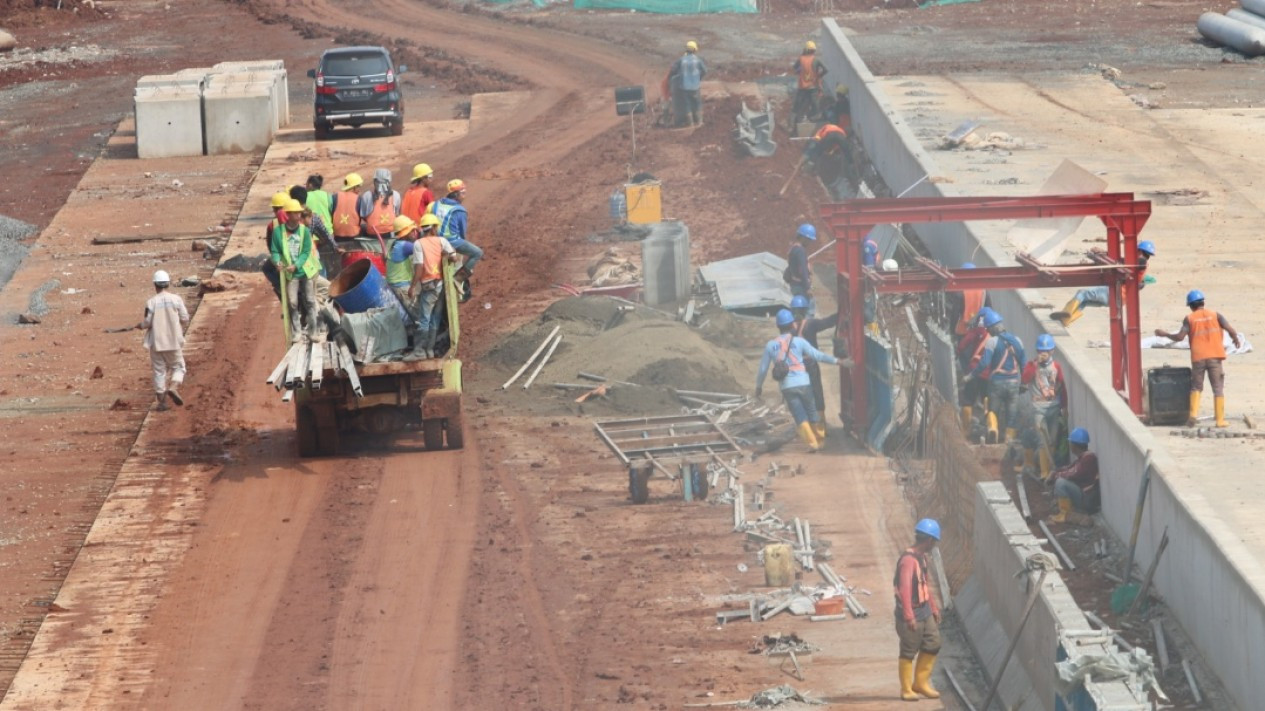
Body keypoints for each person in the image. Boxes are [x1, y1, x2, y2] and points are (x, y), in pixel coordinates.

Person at [754, 309, 839, 452]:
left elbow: (763, 369)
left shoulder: (770, 345)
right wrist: (837, 361)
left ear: (778, 326)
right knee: (812, 412)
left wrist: (758, 387)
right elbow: (818, 355)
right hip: (804, 383)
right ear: (792, 324)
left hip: (787, 387)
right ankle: (820, 440)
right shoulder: (799, 342)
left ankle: (812, 444)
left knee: (800, 416)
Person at [1154, 289, 1242, 427]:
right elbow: (1230, 329)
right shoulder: (1215, 315)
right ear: (1203, 302)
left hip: (1198, 357)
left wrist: (1164, 334)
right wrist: (1235, 338)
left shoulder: (1189, 319)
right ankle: (1220, 421)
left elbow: (1179, 337)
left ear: (1190, 305)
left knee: (1196, 387)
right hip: (1215, 356)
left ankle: (1193, 415)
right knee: (1218, 388)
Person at [1052, 240, 1156, 326]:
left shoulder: (1140, 262)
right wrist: (1103, 254)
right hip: (1118, 301)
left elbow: (1121, 262)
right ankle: (1066, 321)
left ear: (1140, 251)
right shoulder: (1139, 266)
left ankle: (1066, 314)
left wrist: (1101, 254)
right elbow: (1119, 260)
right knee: (1084, 301)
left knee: (1082, 293)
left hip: (1114, 293)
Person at [894, 518, 942, 702]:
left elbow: (924, 585)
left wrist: (933, 607)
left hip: (924, 610)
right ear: (929, 540)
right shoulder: (908, 561)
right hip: (912, 613)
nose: (934, 545)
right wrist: (909, 616)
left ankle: (920, 683)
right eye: (934, 541)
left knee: (933, 642)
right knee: (908, 650)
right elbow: (904, 589)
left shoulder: (922, 558)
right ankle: (906, 689)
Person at [966, 309, 1025, 443]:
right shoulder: (1017, 341)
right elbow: (1023, 363)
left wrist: (972, 375)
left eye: (988, 329)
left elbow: (984, 363)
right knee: (1012, 414)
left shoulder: (992, 342)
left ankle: (993, 430)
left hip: (996, 382)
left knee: (993, 410)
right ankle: (1009, 440)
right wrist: (1024, 382)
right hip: (1013, 382)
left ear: (992, 328)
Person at [269, 199, 321, 343]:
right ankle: (297, 332)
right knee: (292, 302)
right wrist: (277, 261)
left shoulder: (304, 231)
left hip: (305, 271)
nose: (299, 215)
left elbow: (305, 252)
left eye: (299, 213)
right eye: (296, 213)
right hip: (291, 273)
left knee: (310, 301)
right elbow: (275, 251)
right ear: (289, 214)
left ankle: (313, 332)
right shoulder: (278, 233)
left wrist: (297, 265)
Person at [138, 269, 190, 412]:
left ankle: (162, 403)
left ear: (155, 285)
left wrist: (140, 326)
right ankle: (173, 387)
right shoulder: (176, 299)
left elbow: (147, 322)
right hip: (174, 341)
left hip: (156, 342)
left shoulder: (151, 302)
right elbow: (185, 318)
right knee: (179, 367)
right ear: (168, 284)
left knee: (159, 372)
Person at [408, 212, 456, 358]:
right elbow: (453, 257)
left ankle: (419, 351)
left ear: (423, 229)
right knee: (434, 319)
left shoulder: (418, 244)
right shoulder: (442, 241)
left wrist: (412, 286)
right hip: (440, 285)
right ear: (434, 227)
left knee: (424, 319)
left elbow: (419, 267)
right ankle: (429, 349)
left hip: (428, 285)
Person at [1018, 333, 1066, 480]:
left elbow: (1062, 385)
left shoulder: (1056, 366)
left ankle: (1050, 468)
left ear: (1052, 351)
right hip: (1038, 407)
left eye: (1046, 351)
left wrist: (1065, 406)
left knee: (1052, 439)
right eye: (1040, 351)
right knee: (1042, 439)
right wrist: (1034, 364)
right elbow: (1025, 379)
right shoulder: (1031, 366)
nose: (1043, 354)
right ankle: (1045, 472)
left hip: (1054, 406)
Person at [790, 295, 837, 441]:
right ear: (805, 310)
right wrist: (842, 312)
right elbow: (828, 322)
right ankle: (821, 428)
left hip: (796, 368)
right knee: (817, 395)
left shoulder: (788, 328)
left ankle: (806, 429)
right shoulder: (811, 324)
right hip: (810, 364)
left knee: (801, 397)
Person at [430, 178, 483, 302]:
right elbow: (462, 233)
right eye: (463, 193)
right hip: (452, 242)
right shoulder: (460, 210)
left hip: (435, 240)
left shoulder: (436, 204)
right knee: (477, 253)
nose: (464, 196)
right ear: (456, 194)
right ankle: (458, 279)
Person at [1049, 428, 1098, 525]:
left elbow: (1073, 473)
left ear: (1075, 445)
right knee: (1060, 479)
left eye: (1071, 443)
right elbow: (1069, 467)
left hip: (1086, 499)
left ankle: (1065, 515)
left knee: (1060, 482)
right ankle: (1066, 512)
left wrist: (1055, 475)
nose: (1070, 445)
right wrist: (1055, 471)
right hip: (1083, 496)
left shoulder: (1089, 458)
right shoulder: (1083, 457)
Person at [803, 122, 857, 198]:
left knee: (818, 151)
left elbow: (821, 136)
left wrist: (818, 141)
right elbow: (841, 149)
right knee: (846, 150)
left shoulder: (830, 126)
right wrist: (850, 162)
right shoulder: (843, 136)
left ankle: (808, 165)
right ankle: (851, 164)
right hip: (832, 137)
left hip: (827, 136)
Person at [386, 215, 422, 327]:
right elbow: (423, 248)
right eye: (412, 230)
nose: (414, 233)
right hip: (403, 287)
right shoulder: (404, 246)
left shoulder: (393, 243)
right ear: (406, 232)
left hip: (395, 285)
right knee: (418, 317)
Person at [790, 40, 827, 133]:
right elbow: (825, 70)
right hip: (812, 86)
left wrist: (800, 73)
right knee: (815, 104)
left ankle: (794, 123)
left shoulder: (801, 59)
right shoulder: (816, 60)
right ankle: (813, 118)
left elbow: (795, 67)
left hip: (802, 87)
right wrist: (818, 76)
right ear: (814, 50)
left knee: (798, 105)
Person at [260, 191, 291, 300]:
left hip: (281, 259)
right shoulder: (297, 218)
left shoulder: (272, 224)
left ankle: (279, 286)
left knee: (266, 268)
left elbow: (270, 245)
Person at [669, 40, 706, 127]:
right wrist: (699, 78)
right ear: (694, 50)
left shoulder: (681, 60)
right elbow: (704, 71)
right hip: (695, 87)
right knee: (697, 104)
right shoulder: (698, 60)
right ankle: (700, 122)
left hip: (684, 87)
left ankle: (691, 123)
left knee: (687, 105)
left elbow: (673, 70)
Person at [358, 168, 401, 238]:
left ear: (374, 181)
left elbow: (363, 216)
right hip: (390, 234)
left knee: (362, 227)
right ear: (389, 181)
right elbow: (396, 214)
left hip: (372, 234)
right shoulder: (396, 195)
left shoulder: (367, 195)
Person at [783, 223, 816, 314]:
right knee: (809, 311)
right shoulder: (801, 251)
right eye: (809, 239)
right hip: (801, 286)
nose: (810, 242)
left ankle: (798, 326)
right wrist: (807, 287)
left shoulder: (793, 248)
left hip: (795, 284)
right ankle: (807, 327)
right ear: (803, 238)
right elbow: (803, 270)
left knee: (799, 311)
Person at [949, 263, 988, 337]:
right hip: (980, 329)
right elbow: (989, 310)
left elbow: (955, 314)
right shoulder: (984, 291)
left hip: (964, 330)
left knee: (962, 347)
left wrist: (952, 330)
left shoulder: (960, 293)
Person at [329, 172, 364, 242]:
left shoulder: (334, 197)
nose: (360, 189)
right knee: (365, 227)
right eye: (359, 186)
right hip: (353, 236)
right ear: (354, 187)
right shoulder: (358, 199)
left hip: (337, 236)